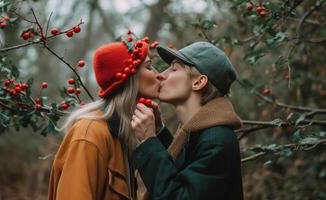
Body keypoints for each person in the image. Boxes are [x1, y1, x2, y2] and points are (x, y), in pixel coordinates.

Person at [48, 35, 161, 200]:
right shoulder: (89, 134)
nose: (159, 75)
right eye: (149, 67)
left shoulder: (122, 133)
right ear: (129, 76)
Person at [131, 41, 244, 200]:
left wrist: (149, 141)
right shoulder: (201, 134)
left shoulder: (216, 141)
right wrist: (159, 131)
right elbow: (180, 172)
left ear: (198, 82)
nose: (160, 74)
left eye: (174, 69)